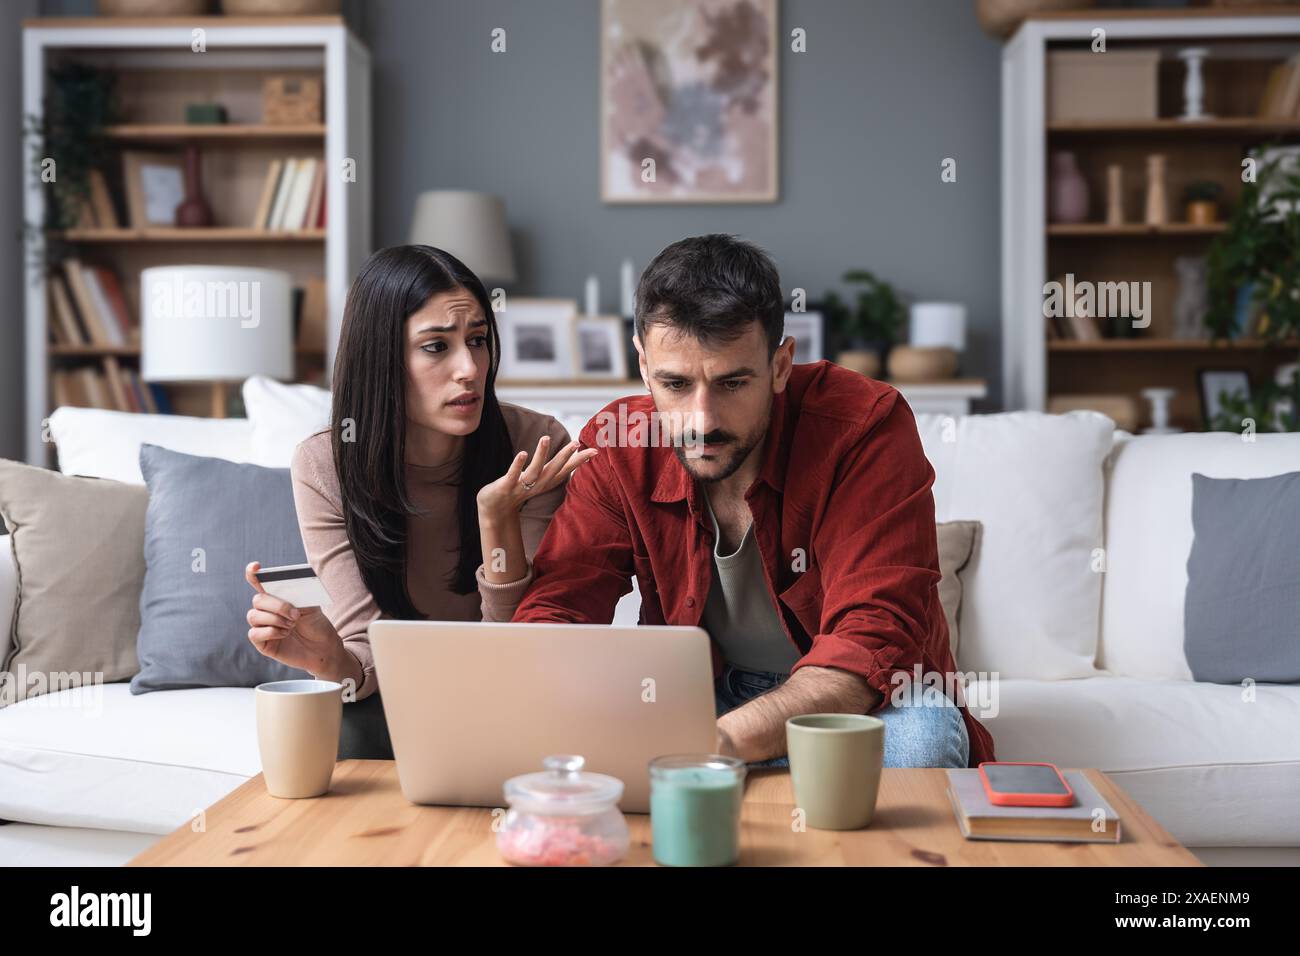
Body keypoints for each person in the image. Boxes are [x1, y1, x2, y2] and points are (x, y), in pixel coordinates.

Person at [513, 234, 995, 768]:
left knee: (919, 746)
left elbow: (872, 637)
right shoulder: (618, 440)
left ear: (782, 365)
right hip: (704, 693)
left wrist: (723, 744)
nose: (703, 420)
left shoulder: (865, 425)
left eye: (733, 383)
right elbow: (561, 604)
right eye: (674, 384)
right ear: (644, 365)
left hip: (867, 702)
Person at [243, 245, 595, 759]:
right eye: (436, 347)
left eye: (477, 340)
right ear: (381, 357)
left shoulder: (535, 443)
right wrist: (328, 661)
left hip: (514, 689)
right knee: (349, 728)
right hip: (392, 695)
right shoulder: (325, 466)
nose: (470, 369)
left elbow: (524, 645)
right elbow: (365, 656)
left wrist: (496, 519)